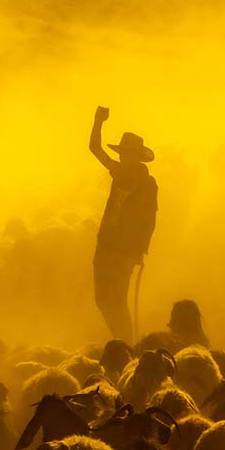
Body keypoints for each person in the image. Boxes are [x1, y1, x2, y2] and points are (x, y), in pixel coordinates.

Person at [88, 106, 158, 342]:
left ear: (136, 157)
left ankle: (126, 344)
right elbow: (95, 148)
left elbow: (149, 221)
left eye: (126, 153)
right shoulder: (118, 172)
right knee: (102, 300)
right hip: (105, 246)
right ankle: (122, 340)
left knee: (117, 300)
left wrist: (139, 251)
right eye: (121, 153)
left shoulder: (148, 185)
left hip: (124, 251)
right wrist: (98, 122)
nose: (121, 157)